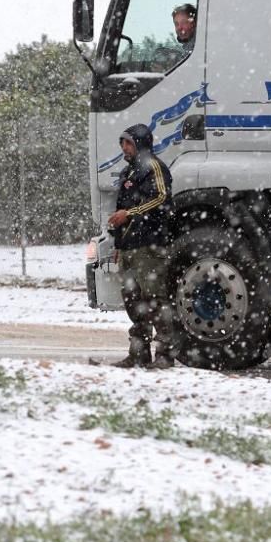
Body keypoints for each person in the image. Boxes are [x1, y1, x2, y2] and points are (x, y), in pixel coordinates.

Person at [107, 124, 176, 369]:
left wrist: (131, 213)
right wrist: (119, 243)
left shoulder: (154, 167)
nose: (124, 148)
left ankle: (165, 354)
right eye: (122, 143)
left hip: (150, 244)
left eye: (128, 143)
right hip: (129, 247)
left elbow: (159, 197)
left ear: (140, 143)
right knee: (133, 301)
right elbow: (120, 210)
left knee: (156, 299)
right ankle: (138, 352)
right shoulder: (129, 171)